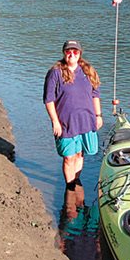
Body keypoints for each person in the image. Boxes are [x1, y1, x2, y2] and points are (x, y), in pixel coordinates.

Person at [43, 40, 103, 189]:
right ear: (64, 53)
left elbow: (95, 94)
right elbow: (48, 100)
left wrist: (98, 115)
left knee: (80, 154)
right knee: (69, 157)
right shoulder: (55, 73)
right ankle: (69, 187)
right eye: (68, 51)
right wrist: (55, 122)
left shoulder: (88, 71)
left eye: (75, 52)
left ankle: (76, 181)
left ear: (80, 54)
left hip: (86, 121)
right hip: (65, 122)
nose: (71, 54)